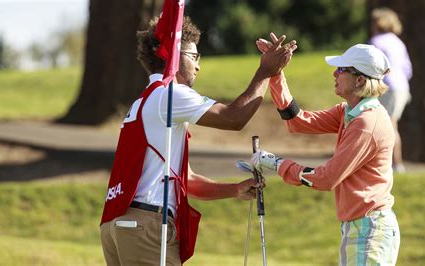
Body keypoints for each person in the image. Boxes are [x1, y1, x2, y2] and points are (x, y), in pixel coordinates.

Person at [99, 17, 296, 265]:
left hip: (119, 225)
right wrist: (266, 71)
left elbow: (186, 181)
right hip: (145, 226)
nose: (198, 66)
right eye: (194, 55)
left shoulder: (145, 100)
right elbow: (234, 118)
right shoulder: (170, 95)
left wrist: (233, 189)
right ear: (172, 54)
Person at [253, 37, 400, 265]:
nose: (334, 74)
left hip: (370, 229)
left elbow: (327, 178)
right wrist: (275, 73)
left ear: (360, 80)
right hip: (360, 227)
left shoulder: (366, 124)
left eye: (341, 69)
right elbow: (297, 121)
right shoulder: (349, 113)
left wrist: (278, 164)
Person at [369, 7, 413, 173]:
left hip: (387, 87)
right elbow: (408, 69)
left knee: (387, 126)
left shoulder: (377, 42)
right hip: (402, 88)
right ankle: (395, 164)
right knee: (392, 124)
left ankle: (393, 164)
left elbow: (373, 67)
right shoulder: (398, 42)